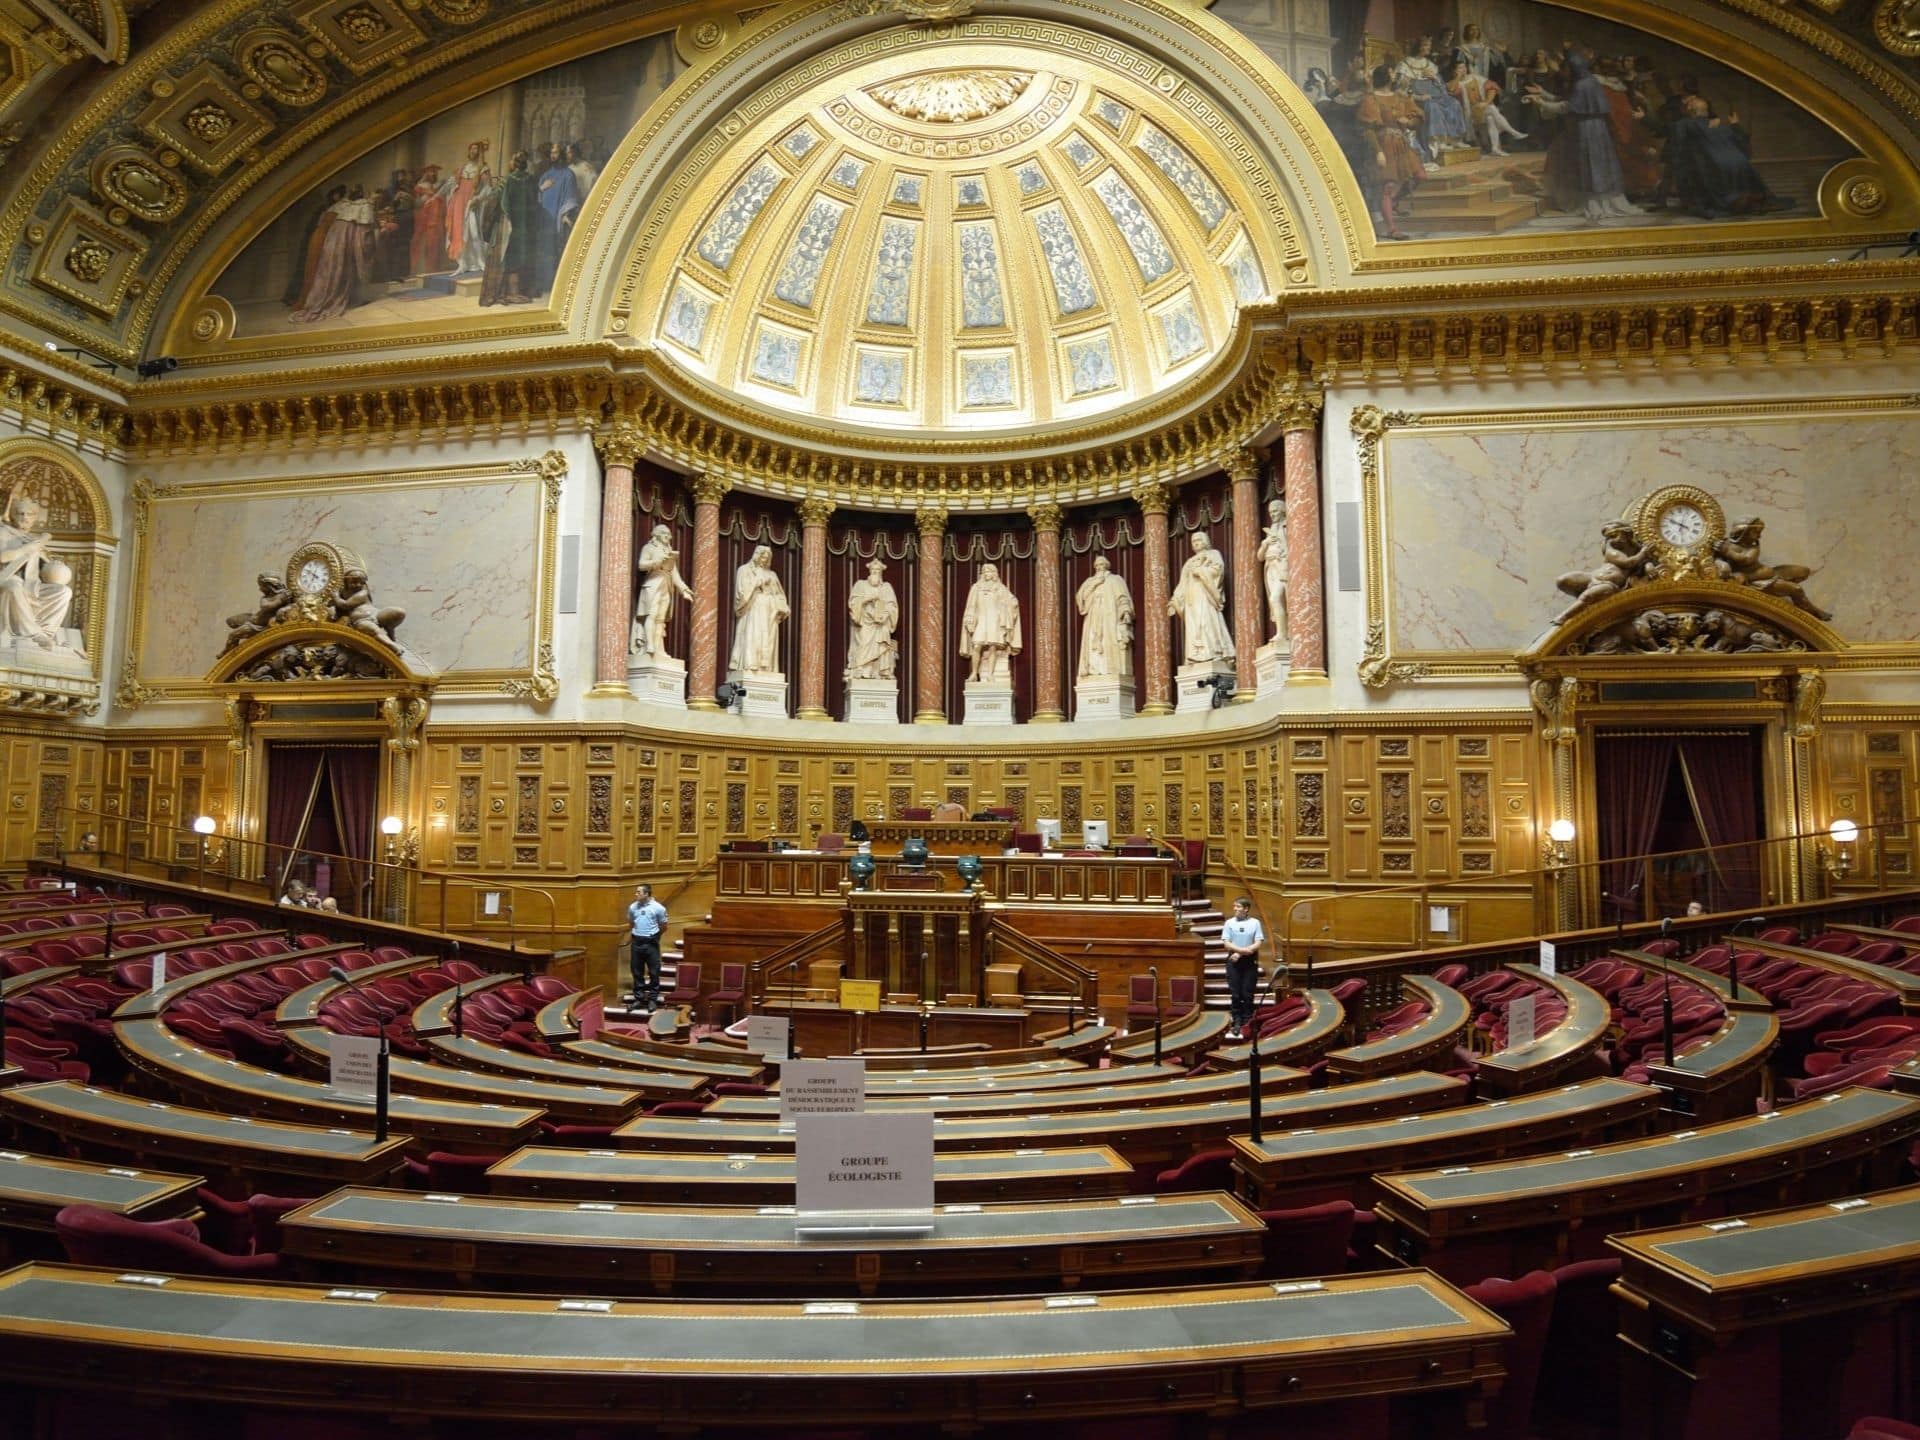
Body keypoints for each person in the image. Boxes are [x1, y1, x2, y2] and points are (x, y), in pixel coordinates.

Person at [1355, 65, 1425, 239]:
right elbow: (1369, 130)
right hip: (1383, 144)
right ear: (1385, 75)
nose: (1394, 74)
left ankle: (1393, 202)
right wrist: (1378, 152)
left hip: (1401, 143)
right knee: (1388, 186)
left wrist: (1408, 123)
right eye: (1392, 71)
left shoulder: (1400, 98)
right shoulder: (1371, 100)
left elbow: (1417, 117)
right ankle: (1392, 229)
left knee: (1420, 176)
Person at [0, 493, 75, 648]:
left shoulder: (34, 540)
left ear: (35, 518)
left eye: (29, 514)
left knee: (63, 592)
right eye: (20, 513)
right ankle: (34, 634)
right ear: (13, 515)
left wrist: (53, 564)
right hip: (7, 579)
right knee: (14, 586)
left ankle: (46, 633)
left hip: (32, 586)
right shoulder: (3, 532)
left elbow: (45, 572)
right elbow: (3, 558)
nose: (24, 517)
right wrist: (28, 548)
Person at [1168, 531, 1235, 665]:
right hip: (1191, 598)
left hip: (1205, 594)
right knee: (1193, 625)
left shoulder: (1213, 554)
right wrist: (1175, 599)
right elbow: (1183, 582)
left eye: (1198, 539)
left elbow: (1218, 571)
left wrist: (1201, 571)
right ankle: (1195, 655)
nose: (1196, 542)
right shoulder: (1189, 562)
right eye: (1193, 541)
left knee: (1206, 621)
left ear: (1205, 540)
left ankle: (1214, 652)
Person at [632, 523, 693, 660]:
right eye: (665, 534)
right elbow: (641, 565)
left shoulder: (668, 550)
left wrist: (684, 590)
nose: (668, 537)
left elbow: (674, 573)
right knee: (651, 615)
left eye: (669, 535)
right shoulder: (649, 548)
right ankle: (649, 645)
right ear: (658, 535)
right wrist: (656, 562)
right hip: (652, 585)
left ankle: (659, 649)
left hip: (666, 586)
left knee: (660, 619)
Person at [728, 544, 789, 674]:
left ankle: (766, 669)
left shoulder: (772, 574)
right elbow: (741, 593)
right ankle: (750, 666)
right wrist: (757, 582)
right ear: (756, 556)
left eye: (767, 559)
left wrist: (780, 605)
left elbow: (780, 595)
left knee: (767, 640)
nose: (764, 561)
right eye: (762, 557)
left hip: (769, 611)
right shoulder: (744, 570)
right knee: (752, 636)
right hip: (753, 608)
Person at [960, 561, 1022, 684]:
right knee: (977, 645)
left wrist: (1009, 606)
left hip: (995, 621)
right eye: (985, 571)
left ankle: (990, 674)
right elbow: (971, 605)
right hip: (981, 620)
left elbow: (1012, 601)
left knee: (993, 647)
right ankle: (974, 673)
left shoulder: (999, 587)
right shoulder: (976, 587)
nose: (987, 573)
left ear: (994, 573)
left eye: (989, 571)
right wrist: (969, 617)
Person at [1075, 554, 1133, 679]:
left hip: (1109, 616)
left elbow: (1122, 597)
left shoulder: (1115, 579)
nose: (1099, 567)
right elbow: (1080, 598)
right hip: (1093, 616)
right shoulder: (1090, 581)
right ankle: (1094, 669)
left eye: (1102, 564)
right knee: (1093, 641)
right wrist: (1094, 584)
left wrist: (1126, 612)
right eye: (1097, 565)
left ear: (1107, 566)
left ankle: (1107, 668)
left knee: (1108, 642)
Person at [845, 556, 900, 680]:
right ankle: (861, 669)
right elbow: (853, 603)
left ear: (881, 573)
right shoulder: (860, 585)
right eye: (873, 571)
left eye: (878, 571)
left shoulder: (886, 587)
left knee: (881, 646)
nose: (875, 573)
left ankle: (878, 671)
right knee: (863, 643)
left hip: (881, 625)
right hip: (865, 622)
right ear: (870, 572)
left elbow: (892, 606)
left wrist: (885, 615)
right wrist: (867, 599)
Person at [1221, 897, 1266, 1038]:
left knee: (1247, 994)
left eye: (1238, 906)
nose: (1235, 908)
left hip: (1249, 962)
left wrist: (1240, 953)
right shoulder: (1229, 923)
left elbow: (1258, 942)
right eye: (1234, 906)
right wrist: (1240, 952)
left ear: (1246, 909)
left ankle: (1248, 1022)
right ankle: (1237, 1022)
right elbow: (1226, 943)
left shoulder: (1255, 923)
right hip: (1233, 962)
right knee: (1236, 994)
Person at [627, 882, 669, 1008]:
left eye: (638, 892)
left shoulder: (658, 908)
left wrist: (655, 937)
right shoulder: (633, 907)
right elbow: (631, 923)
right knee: (636, 971)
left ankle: (652, 999)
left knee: (654, 971)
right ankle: (639, 998)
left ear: (647, 893)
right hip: (636, 942)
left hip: (651, 942)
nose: (636, 894)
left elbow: (664, 926)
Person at [1256, 499, 1289, 647]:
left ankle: (1283, 633)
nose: (1272, 515)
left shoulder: (1286, 526)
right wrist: (1265, 543)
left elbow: (1293, 546)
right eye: (1270, 512)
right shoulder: (1272, 529)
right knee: (1273, 600)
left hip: (1282, 567)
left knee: (1276, 598)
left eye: (1275, 511)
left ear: (1282, 510)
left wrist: (1280, 543)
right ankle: (1281, 632)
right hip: (1270, 569)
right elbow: (1259, 557)